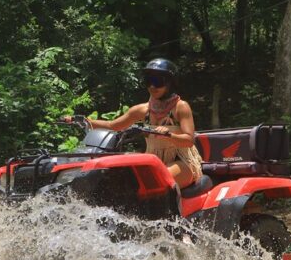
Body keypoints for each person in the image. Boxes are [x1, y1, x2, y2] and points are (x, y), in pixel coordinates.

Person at [67, 58, 203, 188]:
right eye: (148, 81)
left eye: (158, 81)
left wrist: (169, 136)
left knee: (158, 179)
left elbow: (189, 140)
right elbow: (113, 125)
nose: (152, 86)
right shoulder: (142, 110)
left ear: (170, 83)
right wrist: (81, 120)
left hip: (183, 162)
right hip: (153, 162)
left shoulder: (180, 107)